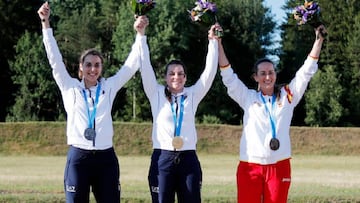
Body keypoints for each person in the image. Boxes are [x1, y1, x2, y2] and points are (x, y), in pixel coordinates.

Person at [37, 2, 149, 202]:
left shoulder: (109, 86)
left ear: (101, 68)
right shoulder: (69, 87)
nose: (93, 69)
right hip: (79, 158)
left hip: (106, 158)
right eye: (88, 64)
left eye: (97, 65)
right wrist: (46, 24)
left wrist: (140, 35)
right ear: (81, 67)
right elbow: (54, 59)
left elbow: (131, 65)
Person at [218, 25, 327, 203]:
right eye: (263, 73)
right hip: (250, 166)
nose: (267, 77)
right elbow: (229, 77)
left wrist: (319, 40)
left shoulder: (287, 96)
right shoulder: (247, 97)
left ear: (275, 74)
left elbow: (305, 73)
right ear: (255, 77)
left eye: (271, 72)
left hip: (279, 166)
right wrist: (218, 44)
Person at [139, 19, 222, 202]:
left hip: (188, 159)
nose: (176, 77)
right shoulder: (156, 93)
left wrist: (213, 42)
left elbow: (209, 73)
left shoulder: (193, 94)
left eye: (180, 74)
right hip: (163, 158)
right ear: (165, 77)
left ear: (185, 77)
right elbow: (145, 67)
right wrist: (141, 35)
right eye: (172, 73)